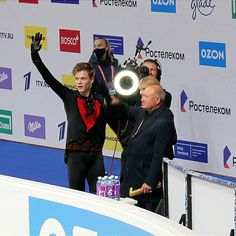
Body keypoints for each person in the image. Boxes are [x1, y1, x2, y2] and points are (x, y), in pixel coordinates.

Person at [30, 32, 112, 193]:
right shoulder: (68, 96)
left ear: (91, 80)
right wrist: (35, 56)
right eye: (77, 79)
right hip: (75, 155)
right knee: (76, 195)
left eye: (83, 79)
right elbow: (48, 78)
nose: (79, 82)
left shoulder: (101, 99)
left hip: (96, 155)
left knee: (103, 197)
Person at [112, 75, 177, 212]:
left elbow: (160, 155)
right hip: (132, 178)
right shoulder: (144, 111)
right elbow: (127, 110)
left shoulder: (164, 122)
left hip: (146, 189)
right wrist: (113, 101)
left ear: (157, 100)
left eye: (145, 96)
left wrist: (150, 181)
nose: (141, 99)